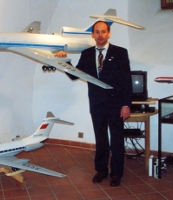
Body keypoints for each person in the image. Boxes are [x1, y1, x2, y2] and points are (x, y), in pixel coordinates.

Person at [55, 21, 132, 187]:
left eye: (103, 31)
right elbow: (75, 75)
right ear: (92, 34)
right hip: (97, 104)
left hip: (116, 105)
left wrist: (126, 105)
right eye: (97, 32)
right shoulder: (87, 53)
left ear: (109, 33)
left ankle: (116, 173)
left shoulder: (120, 52)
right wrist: (64, 62)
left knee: (117, 140)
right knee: (101, 138)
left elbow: (126, 80)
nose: (100, 35)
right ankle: (101, 171)